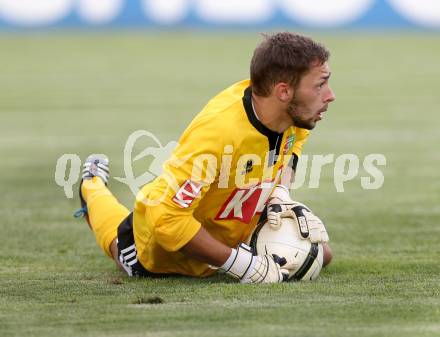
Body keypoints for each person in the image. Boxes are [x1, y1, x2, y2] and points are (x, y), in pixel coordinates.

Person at [76, 32, 336, 283]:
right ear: (283, 92)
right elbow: (166, 220)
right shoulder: (218, 133)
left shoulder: (294, 114)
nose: (330, 95)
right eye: (320, 84)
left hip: (231, 224)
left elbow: (292, 148)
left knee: (321, 256)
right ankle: (91, 185)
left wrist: (280, 192)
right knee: (120, 246)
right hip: (160, 248)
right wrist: (242, 265)